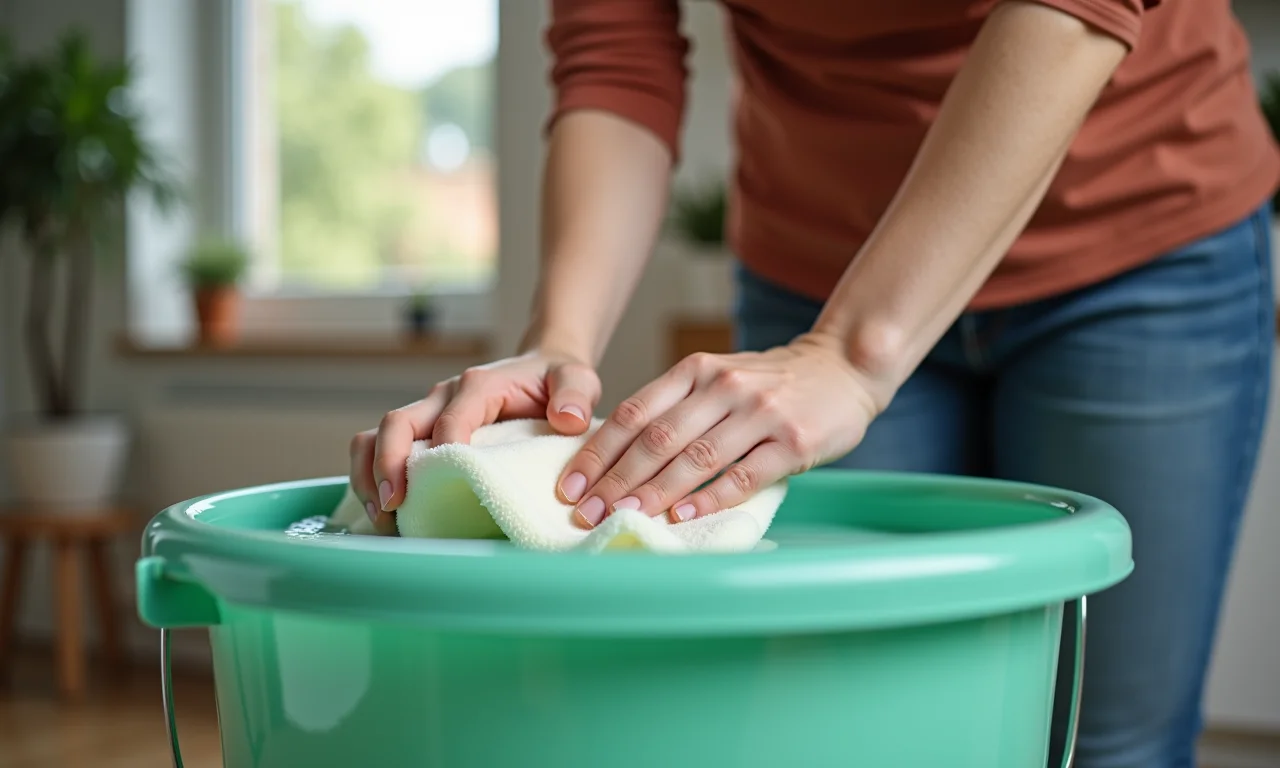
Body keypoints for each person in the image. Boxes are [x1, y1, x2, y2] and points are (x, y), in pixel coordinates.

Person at [349, 1, 1279, 765]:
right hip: (815, 260)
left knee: (1111, 737)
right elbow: (617, 50)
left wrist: (853, 355)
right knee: (856, 730)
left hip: (1143, 238)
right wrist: (557, 339)